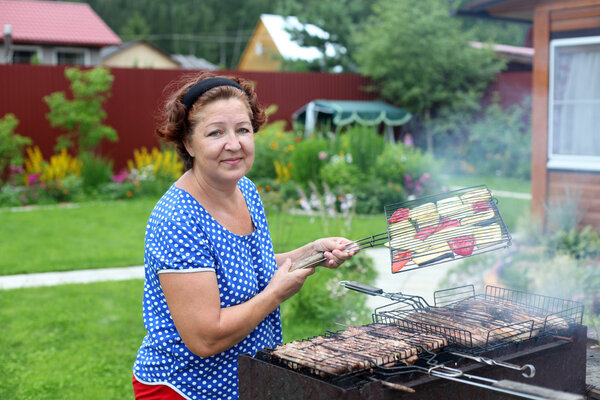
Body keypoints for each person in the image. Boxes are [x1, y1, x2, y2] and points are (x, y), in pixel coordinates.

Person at [132, 72, 357, 400]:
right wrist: (275, 296)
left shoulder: (246, 191)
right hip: (185, 388)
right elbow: (205, 339)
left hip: (244, 381)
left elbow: (250, 268)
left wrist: (313, 252)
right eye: (215, 132)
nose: (233, 144)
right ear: (187, 143)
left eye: (243, 129)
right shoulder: (177, 219)